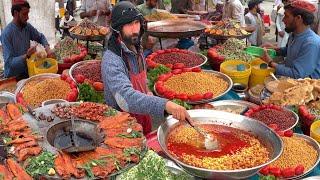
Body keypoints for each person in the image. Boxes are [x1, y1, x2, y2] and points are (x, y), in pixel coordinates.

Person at [102, 1, 190, 135]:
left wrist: (147, 91)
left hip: (143, 117)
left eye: (137, 23)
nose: (135, 29)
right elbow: (126, 99)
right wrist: (166, 105)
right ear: (117, 29)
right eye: (129, 25)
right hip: (123, 129)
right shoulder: (112, 60)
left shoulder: (136, 47)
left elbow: (141, 82)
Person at [262, 0, 320, 79]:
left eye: (286, 16)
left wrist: (270, 62)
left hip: (304, 87)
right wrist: (273, 49)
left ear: (298, 18)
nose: (283, 20)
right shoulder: (293, 34)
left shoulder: (311, 43)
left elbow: (297, 74)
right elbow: (289, 50)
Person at [1, 1, 54, 79]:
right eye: (24, 14)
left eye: (28, 14)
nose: (27, 17)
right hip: (13, 77)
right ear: (16, 13)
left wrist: (48, 49)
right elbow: (9, 63)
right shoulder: (6, 33)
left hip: (27, 71)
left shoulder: (27, 27)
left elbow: (40, 37)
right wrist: (27, 55)